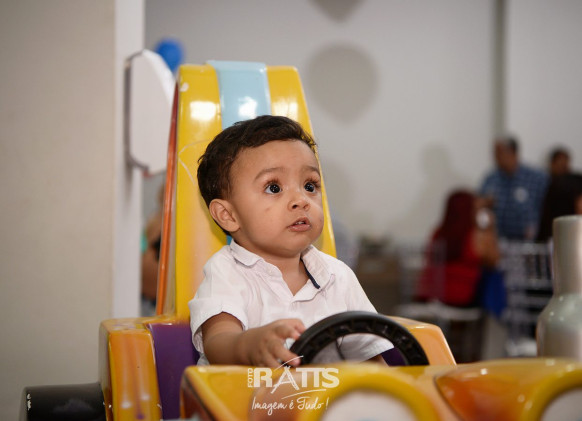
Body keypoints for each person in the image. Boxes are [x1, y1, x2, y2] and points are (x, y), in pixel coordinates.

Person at [189, 115, 392, 367]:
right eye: (274, 188)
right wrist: (249, 345)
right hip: (244, 393)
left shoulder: (338, 277)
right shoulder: (226, 272)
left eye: (310, 186)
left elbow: (371, 362)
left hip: (324, 393)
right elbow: (218, 343)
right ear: (228, 215)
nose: (301, 200)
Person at [416, 190, 500, 307]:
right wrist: (490, 228)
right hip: (461, 299)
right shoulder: (476, 235)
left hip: (432, 296)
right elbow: (494, 261)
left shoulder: (438, 233)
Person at [479, 136, 548, 241]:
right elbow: (479, 205)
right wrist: (484, 203)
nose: (495, 157)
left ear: (512, 152)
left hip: (529, 242)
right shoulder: (491, 179)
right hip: (499, 241)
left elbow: (546, 206)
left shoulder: (536, 178)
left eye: (498, 153)